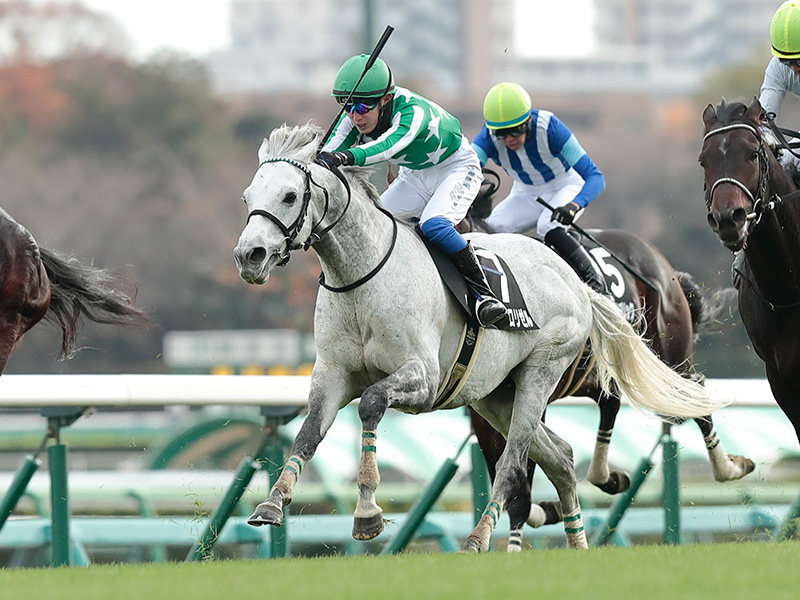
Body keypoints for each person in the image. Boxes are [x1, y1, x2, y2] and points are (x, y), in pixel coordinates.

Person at [317, 54, 507, 327]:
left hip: (456, 169)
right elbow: (329, 151)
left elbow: (388, 147)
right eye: (348, 106)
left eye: (363, 106)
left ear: (385, 100)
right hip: (415, 177)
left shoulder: (411, 112)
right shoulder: (356, 117)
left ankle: (485, 295)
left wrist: (346, 157)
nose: (356, 116)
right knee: (373, 227)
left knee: (433, 225)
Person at [470, 82, 608, 295]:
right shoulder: (486, 138)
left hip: (565, 185)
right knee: (491, 228)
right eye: (501, 134)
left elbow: (595, 177)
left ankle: (596, 282)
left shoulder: (550, 128)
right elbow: (465, 171)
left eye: (515, 131)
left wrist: (573, 205)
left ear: (529, 120)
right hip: (525, 191)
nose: (508, 140)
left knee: (548, 224)